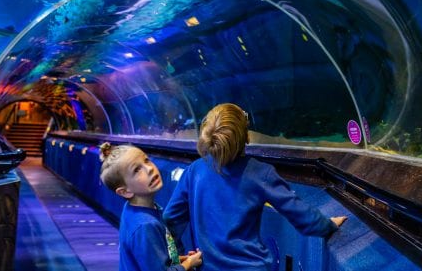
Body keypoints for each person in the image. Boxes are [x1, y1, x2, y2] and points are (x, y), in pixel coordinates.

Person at [163, 103, 347, 270]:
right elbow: (299, 213)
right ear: (246, 137)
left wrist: (178, 259)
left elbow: (171, 220)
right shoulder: (260, 173)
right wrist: (328, 225)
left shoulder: (194, 172)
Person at [99, 142, 204, 271]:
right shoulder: (145, 225)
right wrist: (189, 264)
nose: (149, 169)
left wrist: (180, 259)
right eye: (136, 170)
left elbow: (150, 260)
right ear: (125, 191)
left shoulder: (134, 210)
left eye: (146, 160)